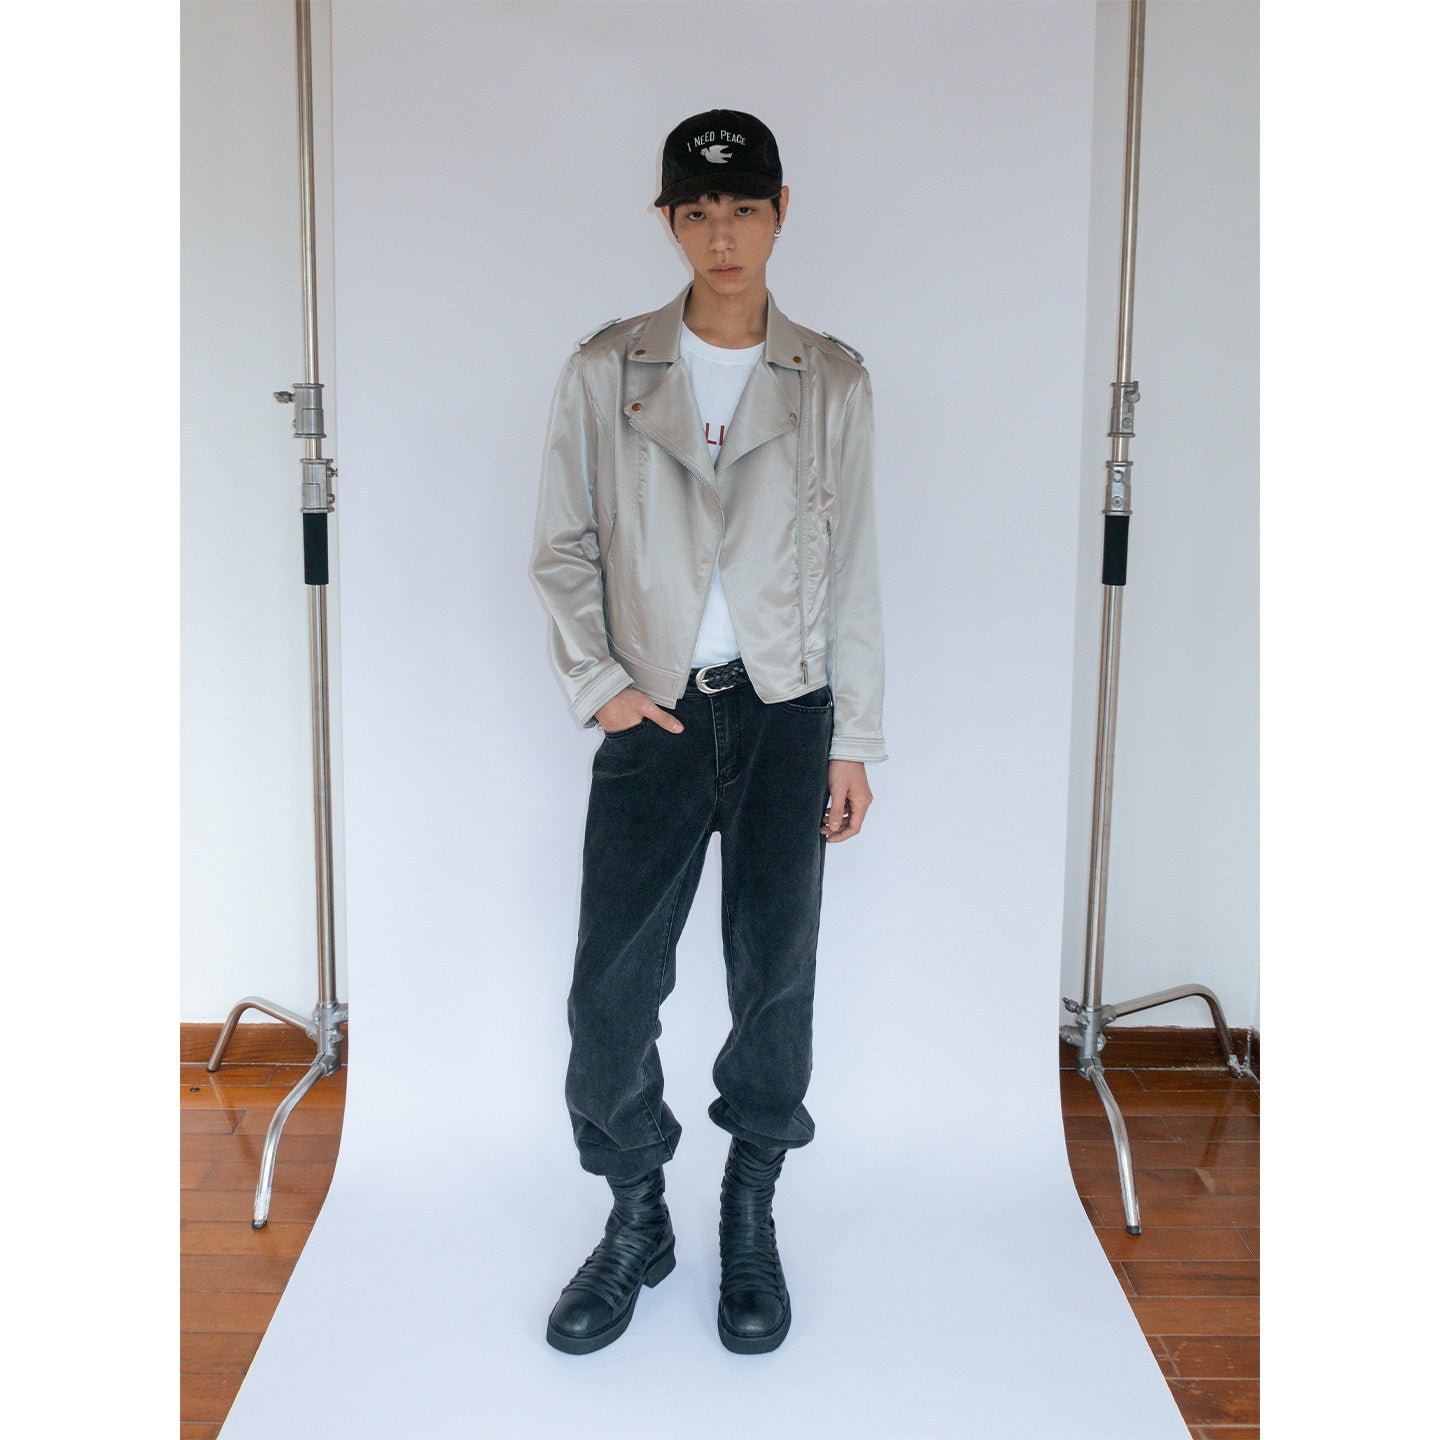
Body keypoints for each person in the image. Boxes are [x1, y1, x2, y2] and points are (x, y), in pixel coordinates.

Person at [529, 108, 887, 1356]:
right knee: (611, 993)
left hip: (790, 713)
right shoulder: (608, 369)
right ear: (668, 221)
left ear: (780, 212)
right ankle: (637, 1216)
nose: (722, 234)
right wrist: (604, 687)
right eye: (697, 211)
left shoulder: (830, 379)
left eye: (743, 209)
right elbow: (562, 545)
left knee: (774, 981)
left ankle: (747, 1210)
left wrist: (852, 738)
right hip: (658, 716)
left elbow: (855, 570)